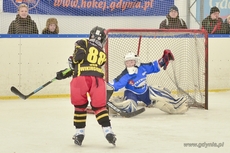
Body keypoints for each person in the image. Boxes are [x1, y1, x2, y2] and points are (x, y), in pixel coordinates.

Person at [55, 26, 116, 146]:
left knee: (80, 107)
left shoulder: (82, 42)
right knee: (99, 108)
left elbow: (78, 59)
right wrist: (70, 69)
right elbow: (90, 66)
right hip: (98, 80)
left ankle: (79, 133)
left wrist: (69, 68)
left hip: (81, 80)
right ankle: (108, 131)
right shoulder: (103, 53)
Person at [108, 51, 189, 115]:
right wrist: (104, 90)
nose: (129, 64)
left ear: (136, 62)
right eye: (127, 62)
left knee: (157, 91)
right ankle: (113, 106)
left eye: (131, 62)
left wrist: (164, 59)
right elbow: (116, 84)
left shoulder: (142, 67)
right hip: (131, 93)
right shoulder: (125, 74)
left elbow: (154, 66)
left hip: (145, 91)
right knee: (129, 106)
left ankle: (176, 104)